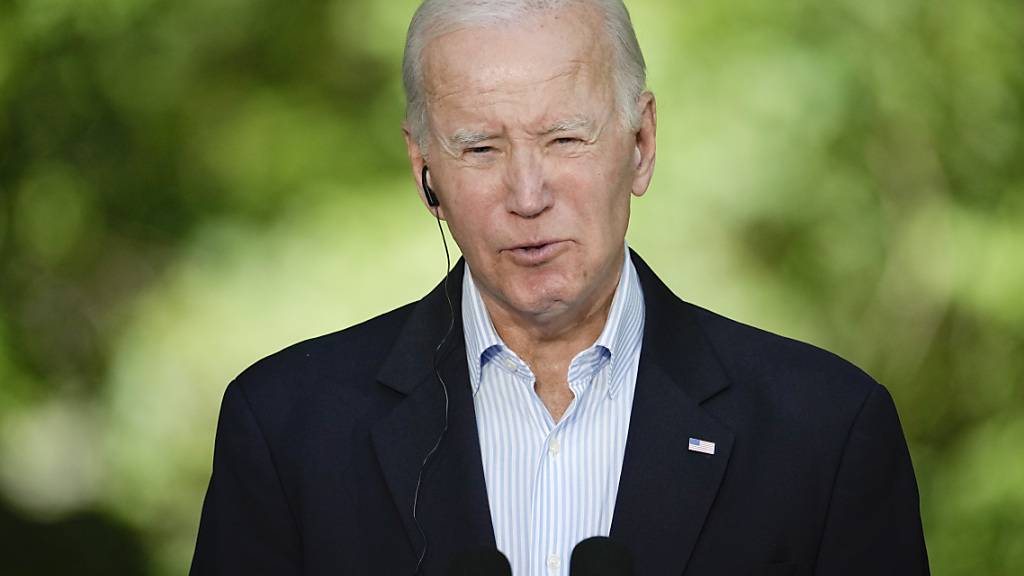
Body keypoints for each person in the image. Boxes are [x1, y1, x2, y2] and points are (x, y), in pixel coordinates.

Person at [190, 0, 930, 574]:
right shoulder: (288, 428)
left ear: (639, 146)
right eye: (480, 147)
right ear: (425, 171)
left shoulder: (825, 430)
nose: (527, 192)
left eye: (564, 139)